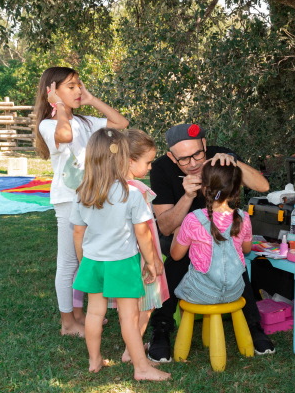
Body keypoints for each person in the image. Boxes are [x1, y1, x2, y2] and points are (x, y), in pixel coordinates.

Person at [148, 123, 275, 363]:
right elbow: (164, 226)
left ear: (204, 144)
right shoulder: (161, 169)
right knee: (179, 258)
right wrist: (187, 197)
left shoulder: (220, 156)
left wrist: (234, 162)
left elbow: (263, 186)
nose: (194, 163)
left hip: (221, 235)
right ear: (171, 157)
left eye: (198, 154)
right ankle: (161, 329)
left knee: (232, 255)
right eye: (184, 160)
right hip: (179, 235)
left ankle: (254, 325)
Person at [35, 66, 129, 337]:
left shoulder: (86, 121)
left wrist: (92, 101)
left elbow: (120, 124)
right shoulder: (50, 123)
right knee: (68, 261)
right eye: (71, 87)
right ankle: (68, 323)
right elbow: (65, 136)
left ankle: (79, 315)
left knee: (86, 256)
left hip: (92, 199)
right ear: (52, 92)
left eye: (79, 85)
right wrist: (60, 108)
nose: (78, 91)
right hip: (68, 199)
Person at [70, 129, 171, 380]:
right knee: (129, 316)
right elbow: (143, 235)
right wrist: (152, 262)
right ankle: (141, 368)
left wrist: (84, 262)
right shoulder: (132, 194)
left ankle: (94, 361)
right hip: (123, 263)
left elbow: (78, 235)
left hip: (94, 263)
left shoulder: (83, 193)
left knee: (94, 313)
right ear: (122, 158)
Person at [107, 129, 169, 362]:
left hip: (124, 256)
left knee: (130, 306)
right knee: (147, 305)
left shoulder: (113, 186)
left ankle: (129, 347)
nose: (151, 167)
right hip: (144, 257)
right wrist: (154, 260)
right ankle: (129, 351)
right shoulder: (139, 191)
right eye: (148, 162)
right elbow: (144, 231)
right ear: (131, 161)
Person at [170, 163, 252, 305]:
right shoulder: (243, 218)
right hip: (235, 291)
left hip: (201, 292)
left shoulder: (193, 219)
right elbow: (247, 250)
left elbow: (176, 255)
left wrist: (177, 229)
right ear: (235, 191)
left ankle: (185, 324)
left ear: (205, 189)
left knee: (181, 291)